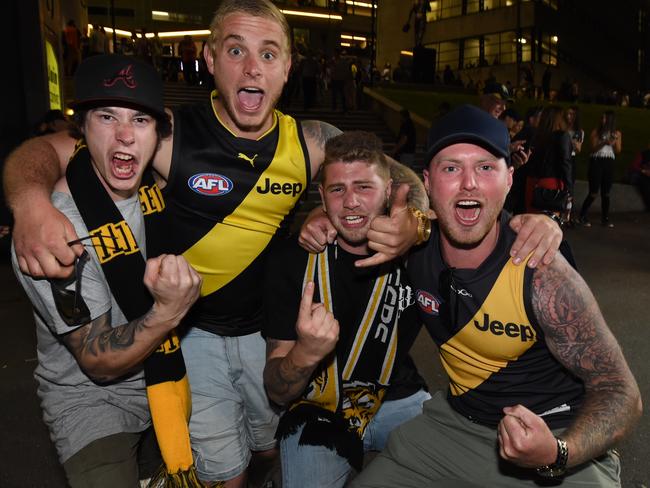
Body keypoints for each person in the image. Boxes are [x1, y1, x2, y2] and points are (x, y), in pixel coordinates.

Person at [4, 2, 428, 485]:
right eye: (236, 51)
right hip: (193, 332)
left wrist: (415, 218)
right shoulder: (167, 133)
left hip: (264, 333)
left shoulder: (309, 143)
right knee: (227, 472)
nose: (252, 67)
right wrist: (30, 203)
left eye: (269, 55)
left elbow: (393, 179)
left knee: (269, 448)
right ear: (209, 59)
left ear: (287, 68)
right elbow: (51, 148)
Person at [350, 104, 642, 488]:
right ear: (428, 182)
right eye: (451, 168)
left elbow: (621, 392)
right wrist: (322, 219)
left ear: (509, 180)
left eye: (486, 167)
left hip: (551, 430)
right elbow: (339, 152)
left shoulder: (542, 273)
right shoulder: (410, 243)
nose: (468, 183)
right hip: (455, 425)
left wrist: (558, 452)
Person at [10, 55, 203, 487]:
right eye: (106, 116)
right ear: (82, 128)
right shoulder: (56, 231)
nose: (124, 135)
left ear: (158, 135)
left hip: (164, 382)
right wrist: (170, 312)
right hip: (90, 402)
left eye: (140, 120)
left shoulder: (156, 187)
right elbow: (97, 361)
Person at [263, 132, 431, 488]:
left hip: (398, 398)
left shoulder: (419, 253)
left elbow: (473, 223)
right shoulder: (290, 261)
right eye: (337, 190)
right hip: (318, 407)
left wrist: (540, 225)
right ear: (321, 197)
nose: (351, 202)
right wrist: (305, 354)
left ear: (388, 191)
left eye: (364, 187)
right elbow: (277, 390)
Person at [525, 105, 572, 214]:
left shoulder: (536, 135)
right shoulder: (562, 136)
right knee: (549, 225)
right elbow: (566, 163)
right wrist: (569, 191)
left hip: (532, 182)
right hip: (551, 183)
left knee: (532, 222)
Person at [578, 110, 622, 228]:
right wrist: (604, 143)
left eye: (605, 118)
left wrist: (614, 142)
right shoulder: (596, 132)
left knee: (606, 193)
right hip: (596, 161)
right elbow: (592, 149)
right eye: (602, 118)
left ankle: (605, 218)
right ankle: (582, 215)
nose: (602, 120)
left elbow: (618, 150)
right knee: (593, 192)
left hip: (609, 162)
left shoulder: (616, 133)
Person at [564, 105, 584, 223]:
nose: (568, 116)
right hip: (561, 158)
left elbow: (578, 149)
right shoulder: (562, 128)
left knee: (570, 187)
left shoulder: (579, 132)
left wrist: (571, 142)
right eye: (567, 114)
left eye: (571, 114)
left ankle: (567, 214)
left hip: (571, 158)